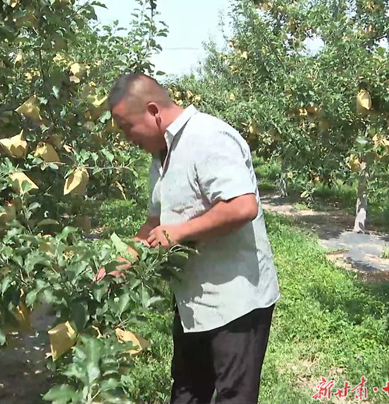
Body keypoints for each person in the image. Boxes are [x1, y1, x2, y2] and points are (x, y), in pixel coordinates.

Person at [105, 72, 281, 404]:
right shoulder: (161, 155)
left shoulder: (208, 138)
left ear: (153, 111)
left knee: (234, 396)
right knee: (187, 390)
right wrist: (118, 264)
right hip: (193, 302)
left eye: (127, 127)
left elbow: (242, 206)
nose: (127, 138)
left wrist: (179, 233)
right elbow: (155, 221)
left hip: (236, 301)